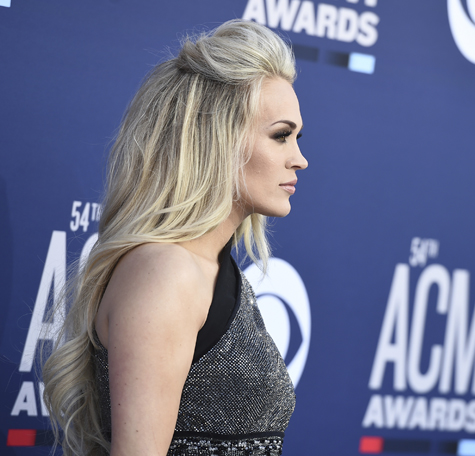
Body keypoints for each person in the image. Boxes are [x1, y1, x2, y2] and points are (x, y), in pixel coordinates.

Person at [42, 19, 308, 456]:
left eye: (297, 137)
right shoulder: (166, 273)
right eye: (281, 136)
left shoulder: (213, 269)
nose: (299, 159)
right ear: (218, 138)